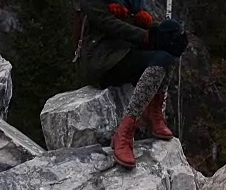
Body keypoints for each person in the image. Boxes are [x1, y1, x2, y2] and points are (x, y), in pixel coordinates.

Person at [75, 0, 188, 168]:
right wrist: (147, 37)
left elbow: (136, 22)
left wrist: (162, 32)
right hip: (102, 60)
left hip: (127, 51)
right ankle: (125, 131)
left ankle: (153, 112)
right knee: (162, 59)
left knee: (171, 44)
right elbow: (108, 24)